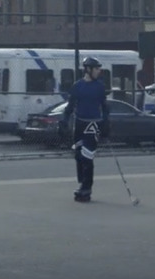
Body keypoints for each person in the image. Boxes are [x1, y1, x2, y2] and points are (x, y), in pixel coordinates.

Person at [61, 57, 111, 202]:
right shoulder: (78, 86)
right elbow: (70, 105)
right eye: (96, 68)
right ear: (88, 69)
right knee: (78, 155)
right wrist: (64, 121)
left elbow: (105, 107)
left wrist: (106, 123)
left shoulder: (100, 86)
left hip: (93, 124)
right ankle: (82, 183)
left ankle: (87, 188)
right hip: (79, 124)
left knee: (87, 156)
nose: (98, 71)